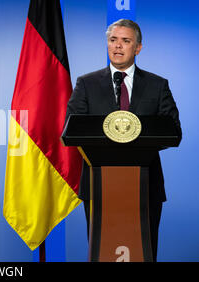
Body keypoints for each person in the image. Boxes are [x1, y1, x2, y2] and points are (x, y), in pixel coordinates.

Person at [65, 19, 181, 261]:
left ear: (138, 47)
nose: (117, 46)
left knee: (143, 250)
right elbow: (73, 127)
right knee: (103, 251)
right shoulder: (86, 83)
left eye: (126, 41)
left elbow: (173, 130)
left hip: (146, 184)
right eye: (113, 40)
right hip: (99, 186)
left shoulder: (157, 85)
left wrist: (136, 141)